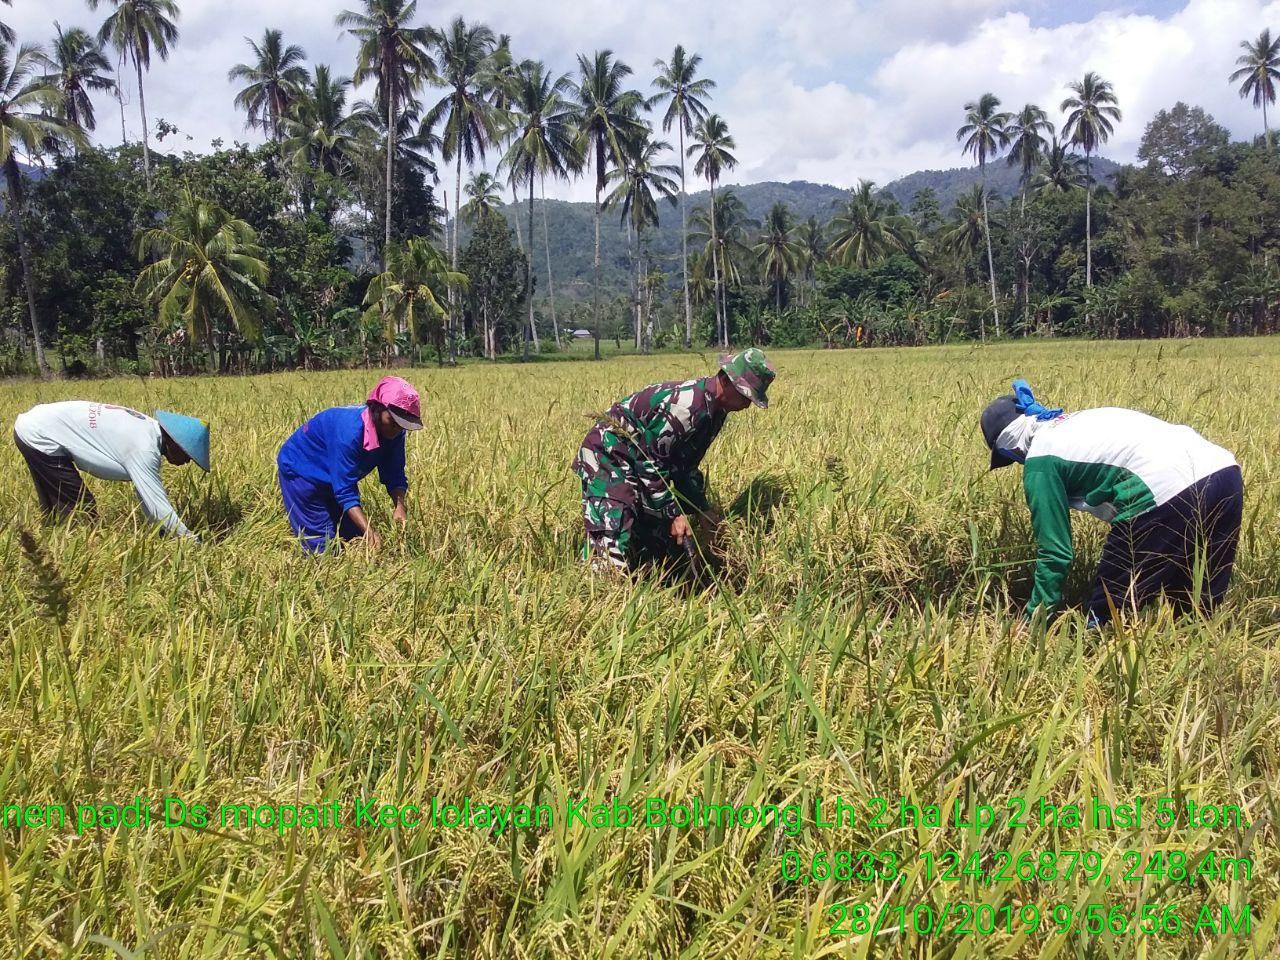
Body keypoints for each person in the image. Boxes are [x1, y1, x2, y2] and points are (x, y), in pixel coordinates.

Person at [980, 379, 1243, 625]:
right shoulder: (1076, 421)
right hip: (1224, 471)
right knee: (1196, 604)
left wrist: (1035, 621)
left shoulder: (1039, 460)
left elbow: (1055, 553)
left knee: (1109, 610)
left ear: (1010, 447)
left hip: (1164, 488)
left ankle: (1096, 649)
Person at [573, 348, 775, 572]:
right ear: (727, 381)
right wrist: (674, 514)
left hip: (640, 462)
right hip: (609, 455)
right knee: (613, 530)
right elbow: (650, 463)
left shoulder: (715, 412)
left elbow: (684, 467)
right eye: (745, 395)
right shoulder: (686, 407)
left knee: (659, 543)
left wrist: (701, 508)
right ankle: (599, 589)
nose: (747, 405)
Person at [12, 401, 209, 540]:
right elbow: (158, 505)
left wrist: (161, 531)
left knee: (60, 505)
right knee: (80, 508)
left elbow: (147, 498)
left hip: (38, 425)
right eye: (188, 456)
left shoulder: (148, 429)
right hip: (39, 434)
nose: (186, 462)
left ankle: (50, 546)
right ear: (175, 443)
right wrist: (190, 539)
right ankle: (73, 555)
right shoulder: (143, 448)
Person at [276, 376, 422, 554]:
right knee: (323, 547)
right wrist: (369, 532)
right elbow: (344, 490)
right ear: (377, 409)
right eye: (393, 422)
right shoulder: (350, 432)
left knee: (353, 539)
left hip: (335, 476)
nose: (397, 429)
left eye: (402, 425)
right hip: (302, 471)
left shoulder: (395, 433)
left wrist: (400, 507)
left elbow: (394, 473)